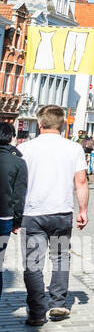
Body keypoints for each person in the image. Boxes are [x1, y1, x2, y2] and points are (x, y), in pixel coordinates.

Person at [17, 105, 88, 325]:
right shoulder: (73, 148)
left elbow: (18, 184)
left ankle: (37, 312)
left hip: (32, 213)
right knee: (60, 258)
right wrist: (83, 209)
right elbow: (81, 181)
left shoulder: (25, 149)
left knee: (32, 263)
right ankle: (58, 303)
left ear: (39, 124)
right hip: (61, 212)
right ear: (63, 124)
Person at [0, 122, 28, 304]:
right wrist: (18, 222)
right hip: (4, 217)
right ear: (11, 138)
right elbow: (19, 197)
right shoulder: (18, 163)